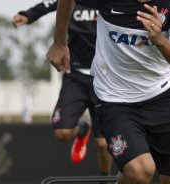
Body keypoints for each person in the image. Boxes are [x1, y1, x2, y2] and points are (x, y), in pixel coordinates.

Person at [46, 0, 170, 184]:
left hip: (162, 96)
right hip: (114, 100)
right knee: (141, 170)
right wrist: (60, 43)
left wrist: (158, 39)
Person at [12, 0, 112, 179]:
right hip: (75, 75)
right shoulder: (71, 2)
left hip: (105, 78)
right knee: (62, 133)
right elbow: (49, 4)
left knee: (103, 144)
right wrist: (27, 15)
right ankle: (82, 129)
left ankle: (105, 179)